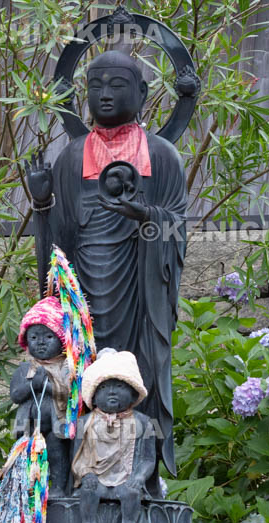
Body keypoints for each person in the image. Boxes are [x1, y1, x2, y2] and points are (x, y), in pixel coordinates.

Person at [25, 50, 185, 495]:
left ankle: (141, 479)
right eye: (95, 85)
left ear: (143, 93)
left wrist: (145, 215)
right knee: (78, 377)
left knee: (137, 377)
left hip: (139, 287)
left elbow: (177, 226)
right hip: (83, 297)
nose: (105, 94)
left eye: (117, 85)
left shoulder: (162, 156)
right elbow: (57, 249)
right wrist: (42, 204)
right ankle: (79, 479)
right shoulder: (71, 157)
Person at [71, 348, 156, 523]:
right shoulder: (86, 423)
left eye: (119, 386)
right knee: (88, 491)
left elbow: (148, 458)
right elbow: (78, 456)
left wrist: (139, 476)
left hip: (126, 479)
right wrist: (86, 473)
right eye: (103, 387)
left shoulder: (143, 423)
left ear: (133, 393)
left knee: (131, 492)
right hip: (97, 479)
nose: (111, 392)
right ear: (93, 395)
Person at [9, 296, 72, 496]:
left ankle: (59, 487)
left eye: (48, 337)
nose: (41, 343)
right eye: (34, 338)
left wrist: (48, 385)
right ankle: (27, 487)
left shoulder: (66, 367)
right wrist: (31, 386)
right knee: (27, 455)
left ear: (61, 340)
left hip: (56, 423)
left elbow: (71, 394)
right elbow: (15, 395)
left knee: (56, 452)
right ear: (26, 341)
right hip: (28, 425)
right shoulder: (24, 368)